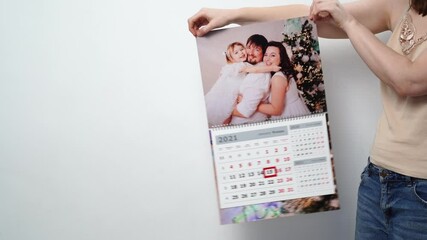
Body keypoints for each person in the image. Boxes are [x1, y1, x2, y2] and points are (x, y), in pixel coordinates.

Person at [188, 0, 427, 239]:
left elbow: (409, 81)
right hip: (378, 176)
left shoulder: (276, 76)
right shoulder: (401, 5)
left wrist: (348, 22)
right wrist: (232, 15)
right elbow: (311, 18)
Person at [204, 41, 280, 126]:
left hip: (231, 93)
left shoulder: (243, 64)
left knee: (225, 117)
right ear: (232, 59)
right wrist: (272, 68)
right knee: (224, 115)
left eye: (242, 49)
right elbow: (255, 70)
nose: (241, 53)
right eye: (236, 52)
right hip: (227, 93)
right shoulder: (239, 66)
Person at [256, 41, 310, 119]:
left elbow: (276, 110)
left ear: (281, 58)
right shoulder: (284, 72)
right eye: (266, 55)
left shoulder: (278, 78)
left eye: (272, 55)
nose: (267, 59)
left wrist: (251, 105)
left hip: (289, 115)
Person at [229, 34, 272, 125]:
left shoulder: (259, 75)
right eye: (249, 47)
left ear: (264, 53)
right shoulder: (250, 68)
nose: (250, 52)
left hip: (245, 124)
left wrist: (224, 109)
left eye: (257, 49)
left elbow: (246, 110)